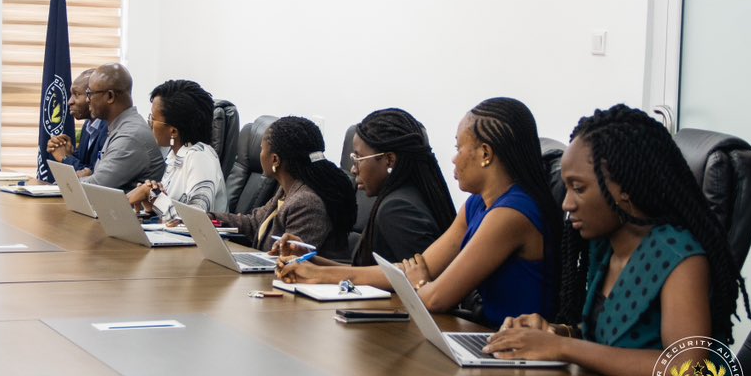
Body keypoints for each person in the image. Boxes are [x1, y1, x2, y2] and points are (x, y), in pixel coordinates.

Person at [484, 105, 751, 376]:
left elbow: (685, 366)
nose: (566, 203)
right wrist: (555, 334)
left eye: (578, 188)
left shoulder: (680, 257)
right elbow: (610, 339)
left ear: (624, 188)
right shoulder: (606, 246)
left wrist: (564, 348)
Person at [286, 98, 561, 328]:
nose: (453, 158)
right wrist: (318, 272)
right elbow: (415, 269)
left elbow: (435, 297)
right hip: (487, 338)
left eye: (458, 148)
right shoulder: (477, 204)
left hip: (512, 350)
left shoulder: (511, 214)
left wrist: (418, 282)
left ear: (485, 154)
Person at [273, 108, 455, 285]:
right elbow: (366, 271)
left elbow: (413, 279)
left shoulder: (397, 208)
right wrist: (309, 260)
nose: (353, 169)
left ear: (389, 160)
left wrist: (320, 274)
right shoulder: (401, 197)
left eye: (358, 159)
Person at [213, 116, 355, 256]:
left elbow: (289, 259)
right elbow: (253, 223)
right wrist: (209, 218)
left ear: (275, 159)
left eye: (262, 149)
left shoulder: (306, 202)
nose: (260, 154)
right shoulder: (288, 190)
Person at [127, 79, 227, 219]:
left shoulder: (200, 157)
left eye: (153, 119)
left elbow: (196, 220)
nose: (150, 124)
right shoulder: (174, 156)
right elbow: (171, 213)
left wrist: (151, 195)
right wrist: (151, 205)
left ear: (173, 131)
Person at [79, 63, 165, 192]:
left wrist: (68, 182)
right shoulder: (120, 126)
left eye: (90, 93)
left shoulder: (130, 136)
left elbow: (95, 187)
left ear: (110, 96)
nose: (87, 100)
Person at [46, 69, 109, 172]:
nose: (69, 102)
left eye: (77, 94)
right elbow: (84, 166)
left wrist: (65, 158)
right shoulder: (88, 125)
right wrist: (69, 153)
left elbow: (96, 175)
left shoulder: (109, 128)